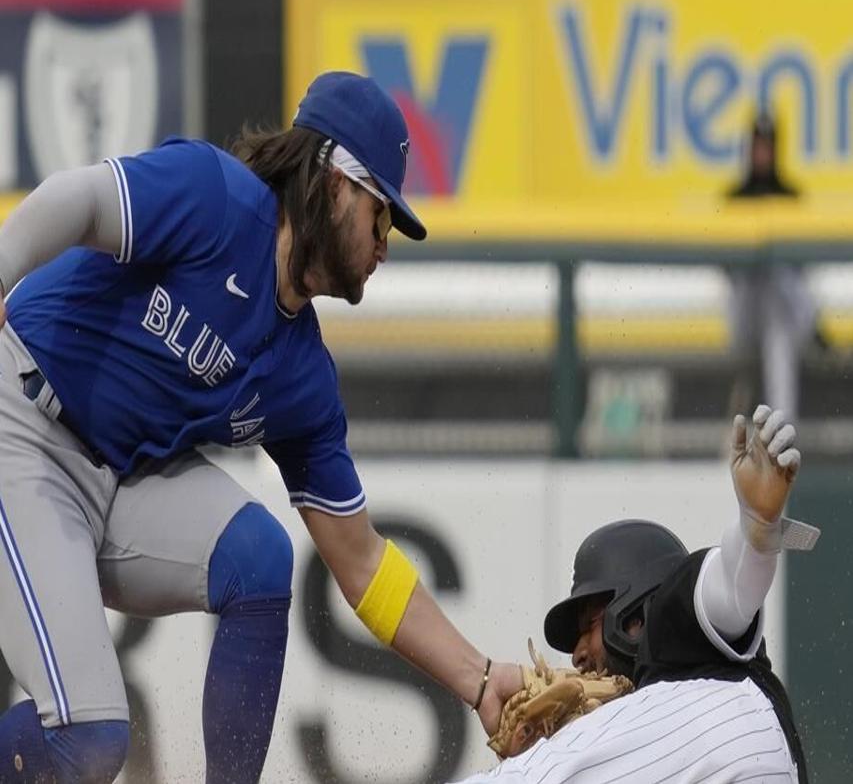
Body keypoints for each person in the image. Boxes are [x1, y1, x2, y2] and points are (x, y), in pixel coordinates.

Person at [0, 71, 523, 783]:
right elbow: (80, 198)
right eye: (383, 213)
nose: (385, 242)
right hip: (23, 418)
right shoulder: (216, 198)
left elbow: (362, 560)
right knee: (89, 737)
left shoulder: (302, 374)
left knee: (260, 557)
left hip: (113, 480)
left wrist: (477, 673)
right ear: (336, 180)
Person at [454, 404, 810, 783]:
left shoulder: (678, 633)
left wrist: (754, 533)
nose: (576, 656)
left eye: (588, 624)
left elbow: (727, 595)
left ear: (635, 619)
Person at [726, 110, 818, 422]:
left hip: (784, 319)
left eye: (767, 145)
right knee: (762, 288)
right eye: (757, 145)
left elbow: (805, 268)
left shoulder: (791, 196)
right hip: (745, 317)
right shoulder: (734, 198)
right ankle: (781, 432)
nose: (762, 153)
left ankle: (781, 432)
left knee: (778, 325)